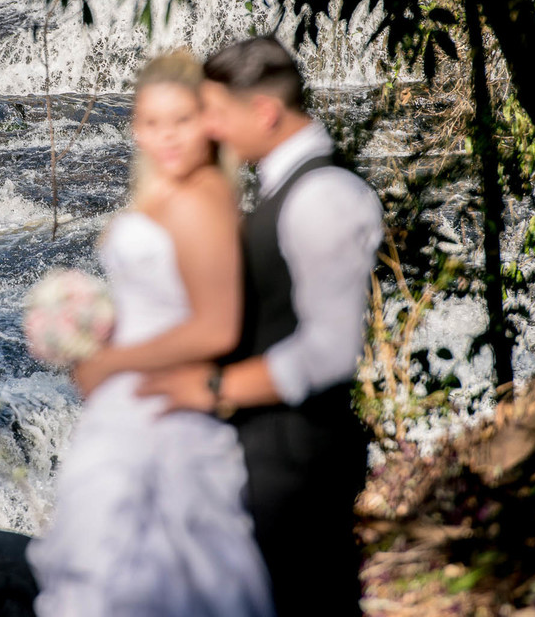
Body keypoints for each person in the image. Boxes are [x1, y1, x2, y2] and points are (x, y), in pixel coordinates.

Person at [138, 36, 384, 616]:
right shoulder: (283, 188)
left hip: (298, 457)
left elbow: (331, 349)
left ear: (266, 112)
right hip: (268, 447)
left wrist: (213, 388)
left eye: (216, 113)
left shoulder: (325, 195)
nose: (209, 129)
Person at [26, 50, 274, 617]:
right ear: (135, 126)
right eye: (152, 122)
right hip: (128, 403)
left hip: (164, 408)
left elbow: (218, 327)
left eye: (182, 120)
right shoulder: (161, 189)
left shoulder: (202, 197)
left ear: (207, 121)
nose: (167, 137)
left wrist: (112, 362)